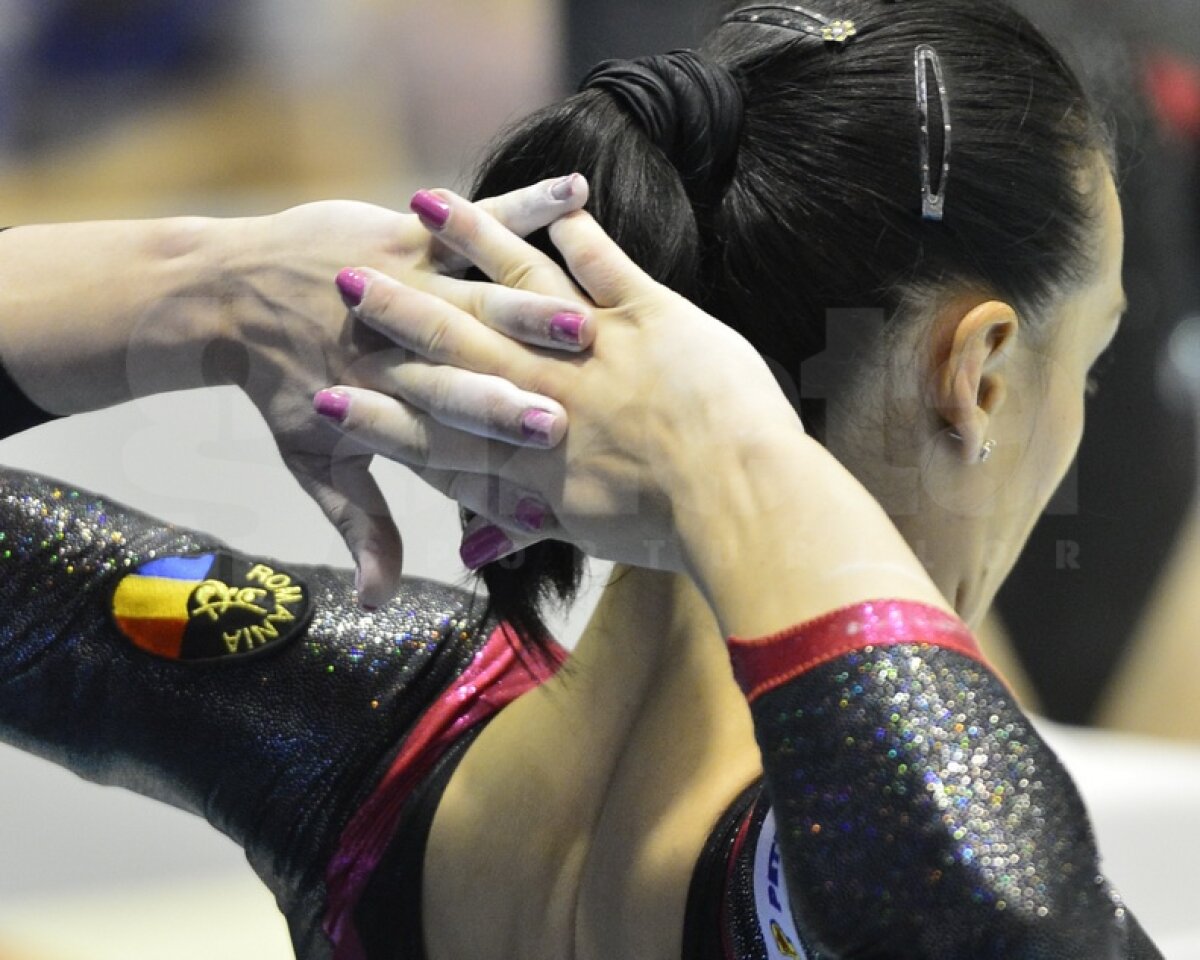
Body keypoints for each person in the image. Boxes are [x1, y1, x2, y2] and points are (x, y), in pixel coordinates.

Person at [0, 2, 1164, 959]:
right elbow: (1006, 924)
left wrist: (189, 283)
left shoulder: (369, 727)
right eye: (1093, 361)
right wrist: (729, 458)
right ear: (985, 374)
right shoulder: (864, 880)